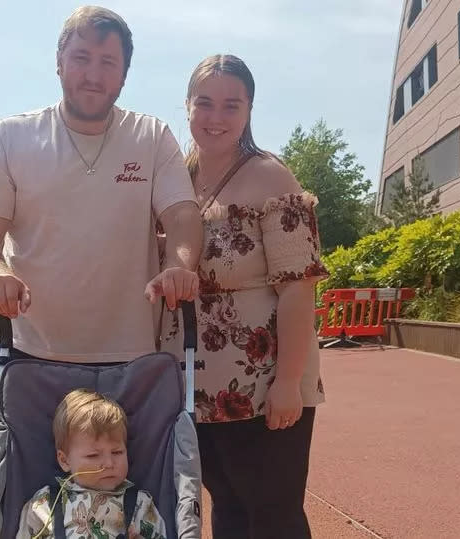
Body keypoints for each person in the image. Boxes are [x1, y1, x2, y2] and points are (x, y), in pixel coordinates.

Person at [0, 6, 202, 364]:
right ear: (59, 61)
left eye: (108, 62)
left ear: (123, 75)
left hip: (134, 356)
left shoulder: (151, 137)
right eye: (81, 58)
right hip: (33, 354)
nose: (93, 75)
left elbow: (183, 215)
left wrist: (181, 265)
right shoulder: (11, 137)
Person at [160, 54, 330, 538]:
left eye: (231, 105)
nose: (216, 117)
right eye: (205, 103)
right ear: (187, 107)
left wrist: (289, 383)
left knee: (273, 514)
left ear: (249, 109)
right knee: (229, 507)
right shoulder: (179, 178)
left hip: (264, 381)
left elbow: (299, 287)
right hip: (198, 382)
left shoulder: (272, 176)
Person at [16, 389, 166, 538]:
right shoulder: (46, 502)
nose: (108, 463)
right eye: (93, 455)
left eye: (117, 452)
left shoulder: (141, 504)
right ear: (64, 460)